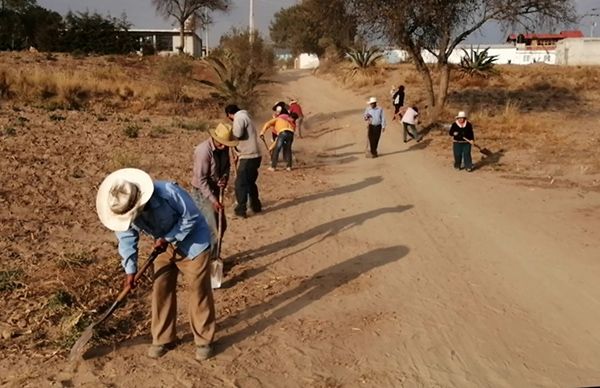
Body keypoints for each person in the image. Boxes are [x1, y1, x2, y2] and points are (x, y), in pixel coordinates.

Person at [96, 168, 215, 361]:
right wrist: (130, 272)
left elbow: (192, 217)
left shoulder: (168, 192)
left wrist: (169, 237)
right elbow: (127, 240)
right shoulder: (123, 211)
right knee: (161, 288)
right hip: (163, 246)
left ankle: (204, 340)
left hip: (194, 242)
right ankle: (163, 338)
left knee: (198, 289)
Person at [191, 122, 238, 253]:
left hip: (216, 190)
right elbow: (201, 180)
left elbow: (227, 166)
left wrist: (224, 178)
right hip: (202, 193)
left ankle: (215, 255)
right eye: (221, 143)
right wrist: (213, 200)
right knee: (212, 229)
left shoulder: (224, 148)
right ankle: (209, 260)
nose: (223, 146)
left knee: (221, 226)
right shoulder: (203, 151)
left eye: (226, 144)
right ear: (214, 138)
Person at [225, 104, 262, 218]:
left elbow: (238, 134)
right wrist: (237, 152)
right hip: (254, 155)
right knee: (250, 182)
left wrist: (230, 135)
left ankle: (240, 211)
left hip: (248, 156)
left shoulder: (239, 118)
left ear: (229, 114)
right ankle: (256, 206)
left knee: (240, 184)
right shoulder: (247, 117)